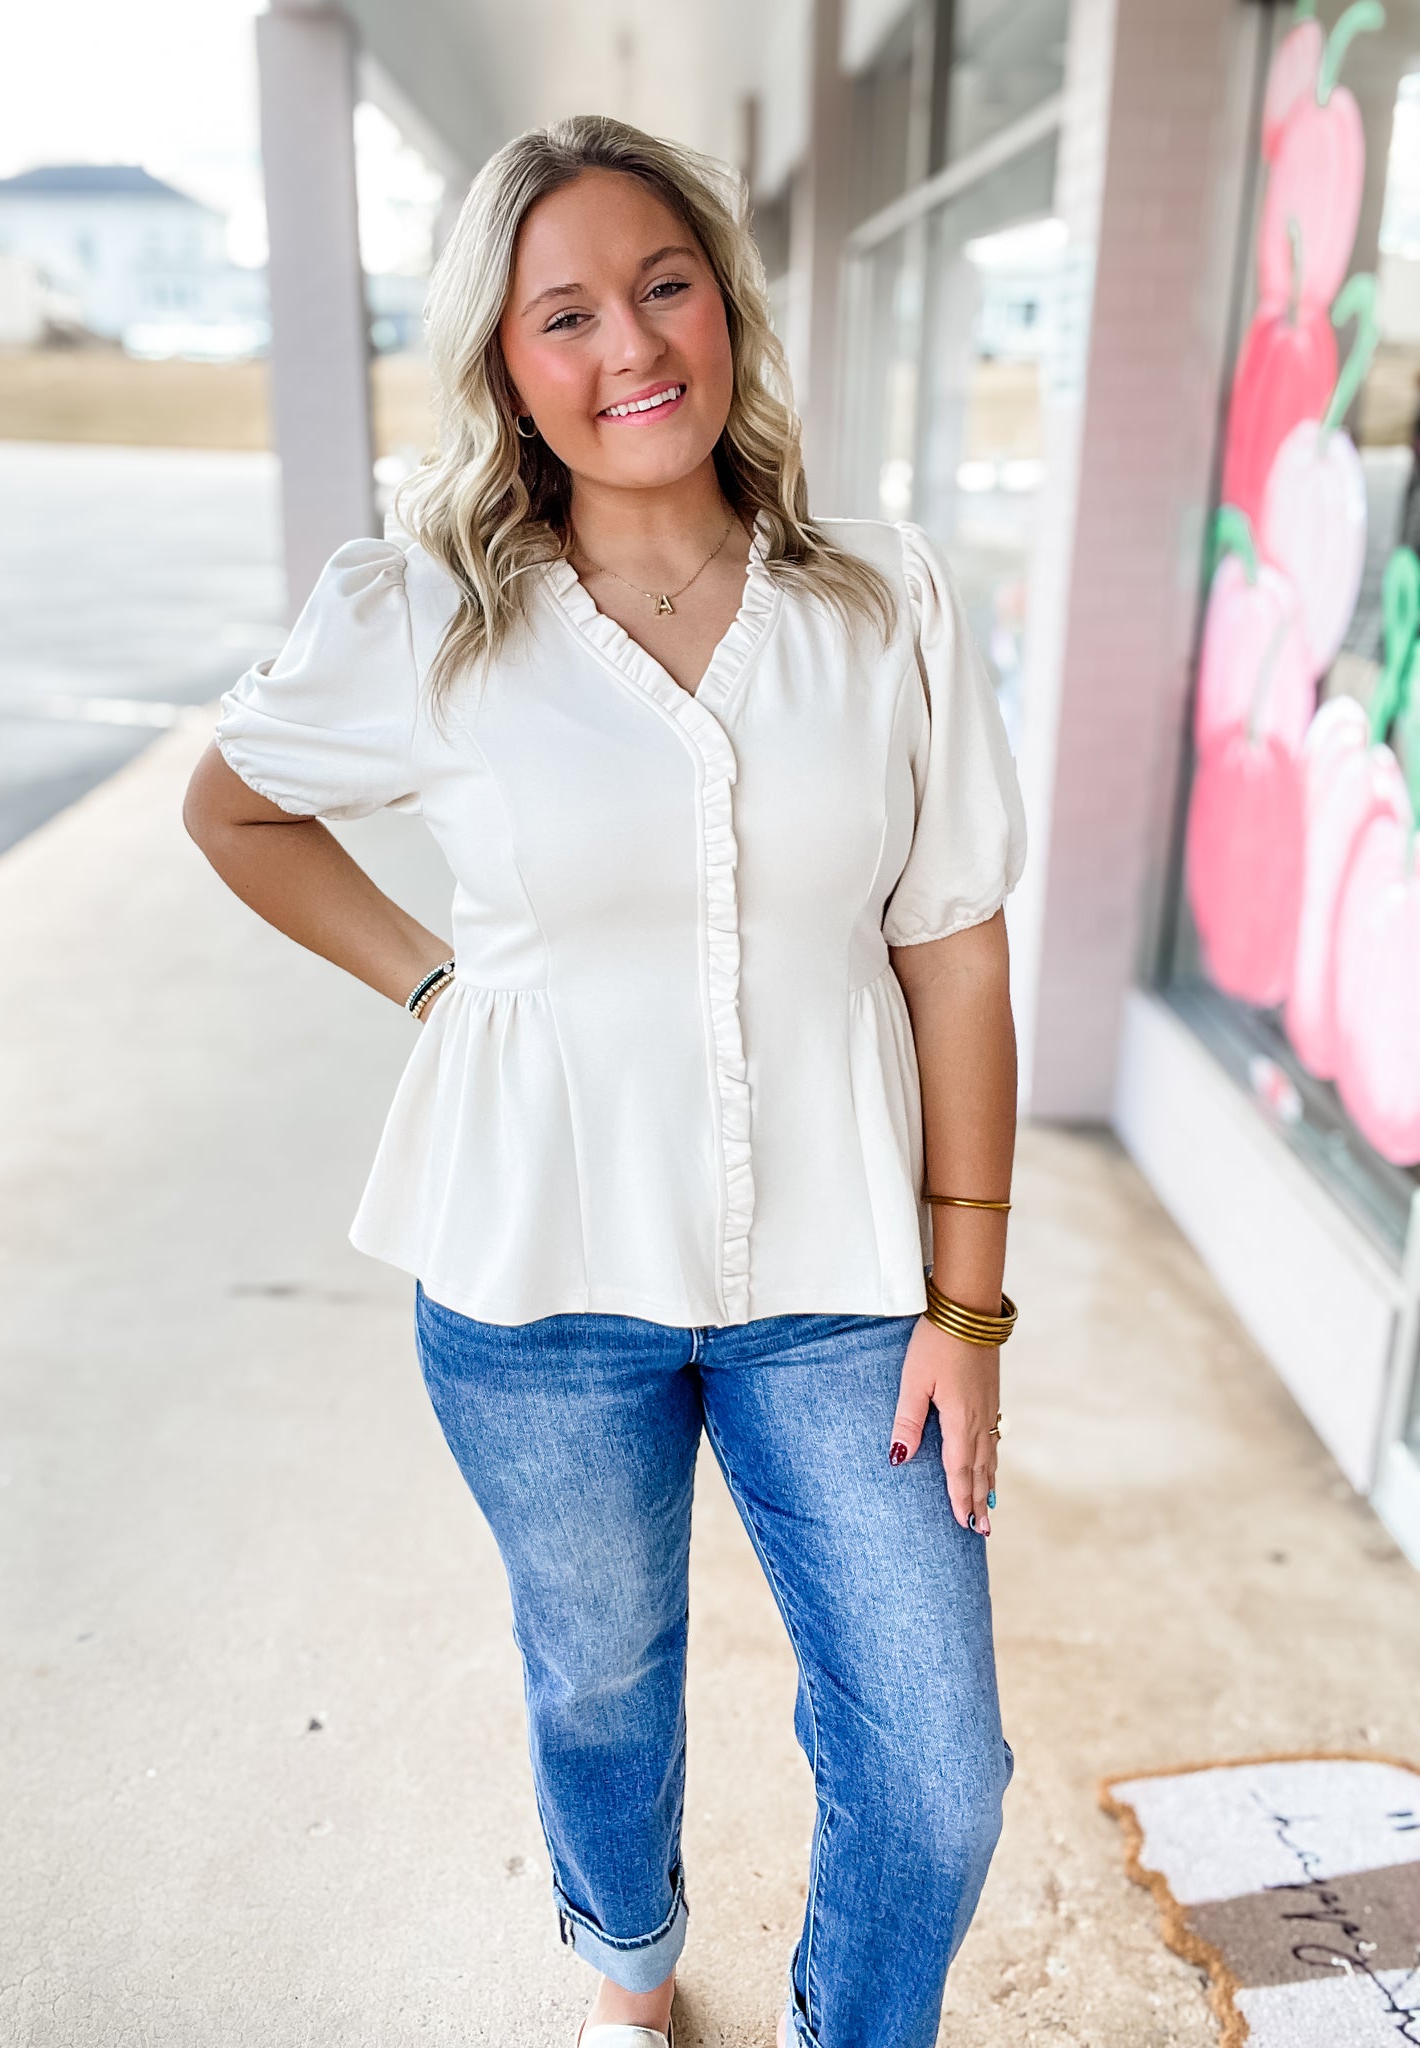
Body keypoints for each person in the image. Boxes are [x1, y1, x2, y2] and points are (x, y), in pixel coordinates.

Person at [184, 113, 1025, 2048]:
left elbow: (953, 943)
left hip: (843, 1284)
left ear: (726, 304)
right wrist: (433, 986)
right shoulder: (425, 615)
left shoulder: (880, 601)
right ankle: (630, 1979)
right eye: (561, 312)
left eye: (663, 284)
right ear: (502, 364)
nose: (629, 344)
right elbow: (234, 810)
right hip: (534, 1284)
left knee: (937, 1763)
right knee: (599, 1675)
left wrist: (969, 1298)